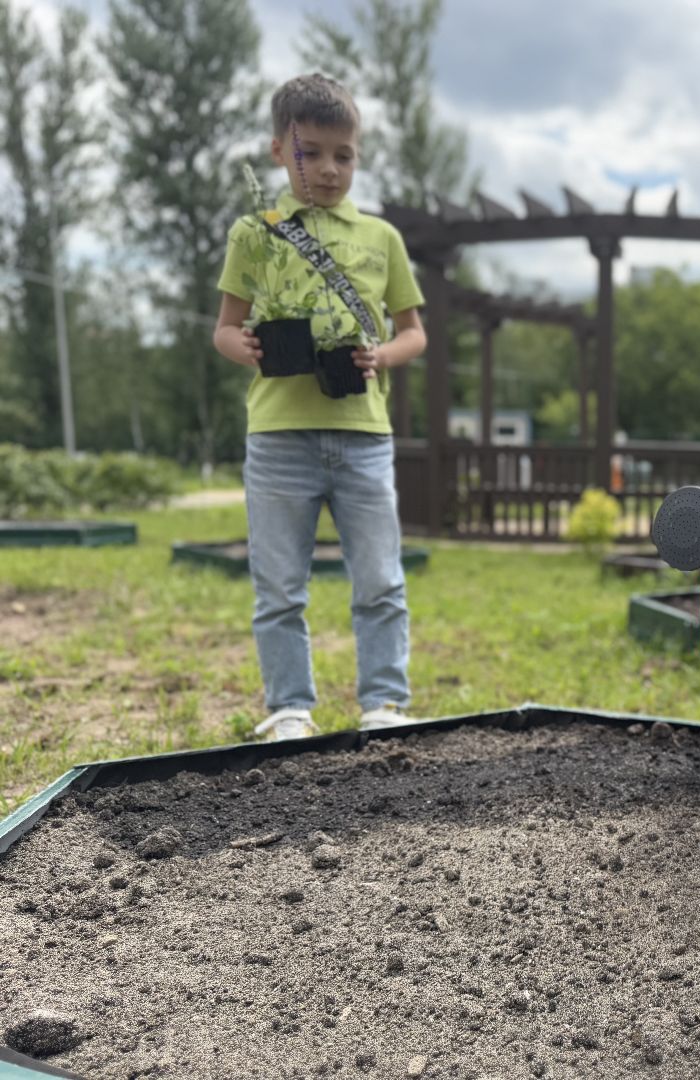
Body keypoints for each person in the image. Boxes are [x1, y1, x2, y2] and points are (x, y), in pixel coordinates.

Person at [212, 74, 428, 741]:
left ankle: (384, 704)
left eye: (345, 154)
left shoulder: (381, 238)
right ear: (280, 150)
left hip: (363, 435)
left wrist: (380, 357)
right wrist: (245, 346)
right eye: (311, 153)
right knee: (279, 585)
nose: (329, 169)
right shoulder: (256, 233)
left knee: (381, 581)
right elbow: (224, 327)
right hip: (279, 435)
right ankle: (288, 708)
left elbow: (414, 332)